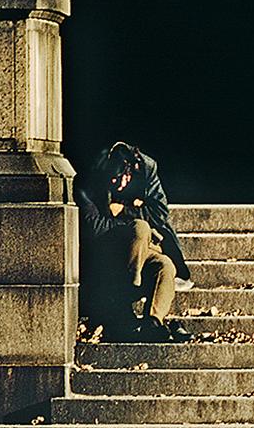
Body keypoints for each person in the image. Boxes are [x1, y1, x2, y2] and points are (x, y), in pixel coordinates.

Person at [77, 141, 194, 342]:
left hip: (143, 248)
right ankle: (124, 294)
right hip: (110, 251)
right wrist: (130, 222)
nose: (120, 185)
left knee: (165, 265)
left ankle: (154, 322)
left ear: (132, 170)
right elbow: (95, 229)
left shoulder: (147, 169)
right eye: (113, 181)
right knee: (139, 226)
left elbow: (159, 213)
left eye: (123, 179)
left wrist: (122, 210)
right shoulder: (90, 182)